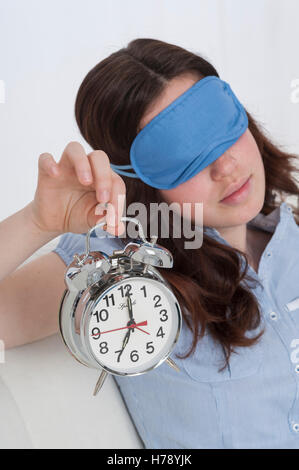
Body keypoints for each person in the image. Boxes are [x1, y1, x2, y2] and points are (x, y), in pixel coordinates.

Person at [1, 37, 299, 449]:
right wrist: (37, 221)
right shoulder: (115, 269)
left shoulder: (291, 234)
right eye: (182, 152)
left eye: (219, 126)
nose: (226, 166)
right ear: (139, 180)